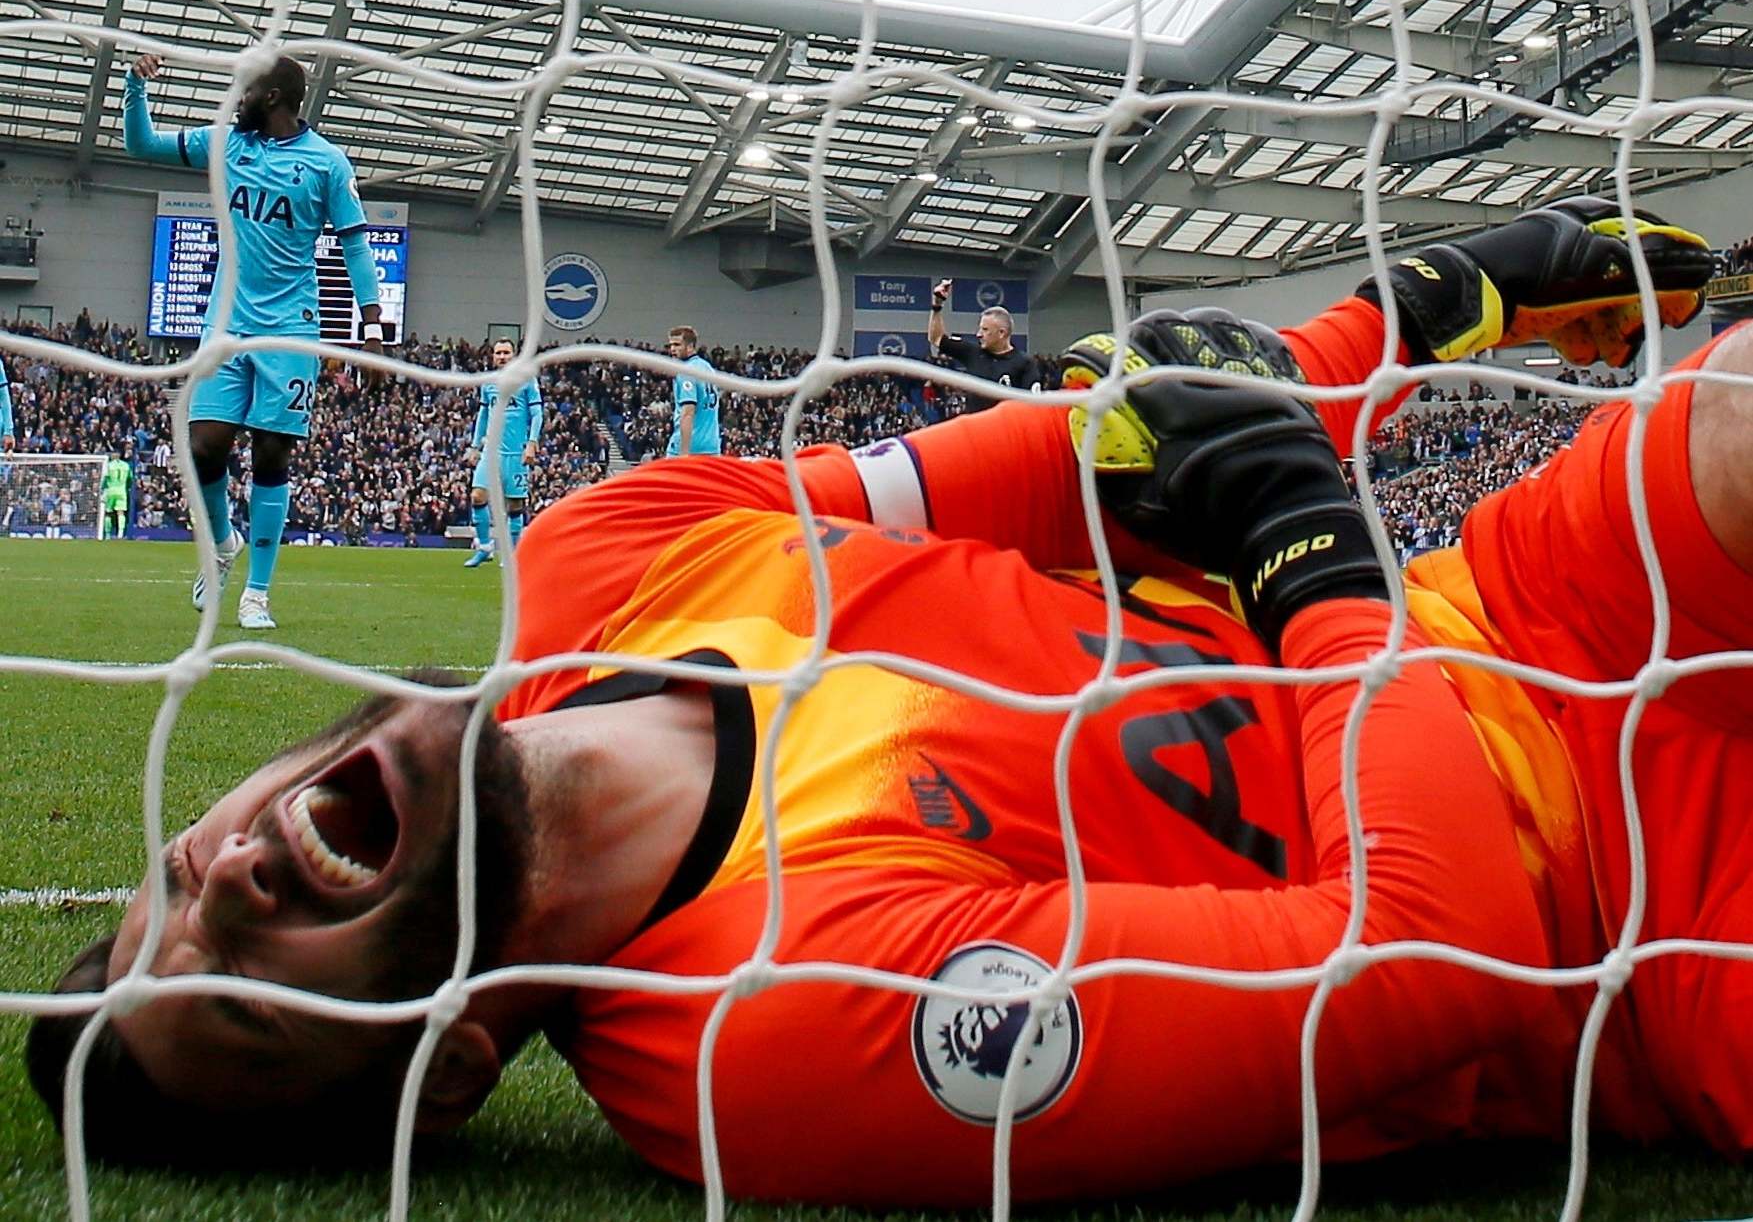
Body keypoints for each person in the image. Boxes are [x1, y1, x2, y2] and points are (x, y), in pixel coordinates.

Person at [26, 201, 1753, 1208]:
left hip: (1524, 602)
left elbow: (1131, 449)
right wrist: (1318, 580)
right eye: (245, 994)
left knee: (1735, 412)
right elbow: (1429, 953)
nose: (225, 887)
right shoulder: (753, 1044)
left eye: (166, 891)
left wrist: (1409, 310)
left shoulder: (610, 548)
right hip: (1636, 933)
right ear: (459, 1068)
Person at [120, 51, 387, 630]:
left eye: (244, 90)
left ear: (272, 97)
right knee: (204, 448)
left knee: (271, 452)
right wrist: (134, 84)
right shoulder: (227, 143)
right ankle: (221, 545)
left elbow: (356, 245)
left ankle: (257, 594)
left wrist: (372, 327)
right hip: (225, 327)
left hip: (292, 326)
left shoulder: (327, 164)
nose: (234, 98)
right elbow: (141, 145)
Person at [462, 338, 543, 568]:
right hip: (491, 451)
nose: (502, 356)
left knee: (514, 505)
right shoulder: (487, 383)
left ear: (514, 355)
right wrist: (475, 446)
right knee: (477, 496)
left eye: (506, 352)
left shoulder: (526, 380)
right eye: (498, 353)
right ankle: (485, 548)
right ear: (493, 356)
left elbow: (537, 414)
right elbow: (483, 416)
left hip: (516, 453)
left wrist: (532, 442)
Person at [925, 278, 1046, 410]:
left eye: (985, 330)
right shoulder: (972, 353)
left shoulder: (1025, 363)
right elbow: (936, 338)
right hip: (974, 428)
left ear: (1002, 333)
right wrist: (937, 304)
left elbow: (1033, 407)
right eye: (980, 329)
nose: (978, 334)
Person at [664, 325, 720, 456]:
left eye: (677, 345)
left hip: (689, 446)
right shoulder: (707, 368)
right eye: (670, 345)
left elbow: (688, 413)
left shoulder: (686, 372)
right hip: (711, 447)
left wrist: (683, 452)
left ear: (690, 346)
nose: (672, 349)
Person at [98, 451, 131, 541]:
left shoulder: (108, 465)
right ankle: (120, 534)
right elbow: (130, 479)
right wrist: (126, 487)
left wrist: (101, 489)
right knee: (121, 512)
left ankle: (107, 534)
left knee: (108, 513)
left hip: (111, 490)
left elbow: (105, 478)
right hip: (122, 491)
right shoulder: (126, 465)